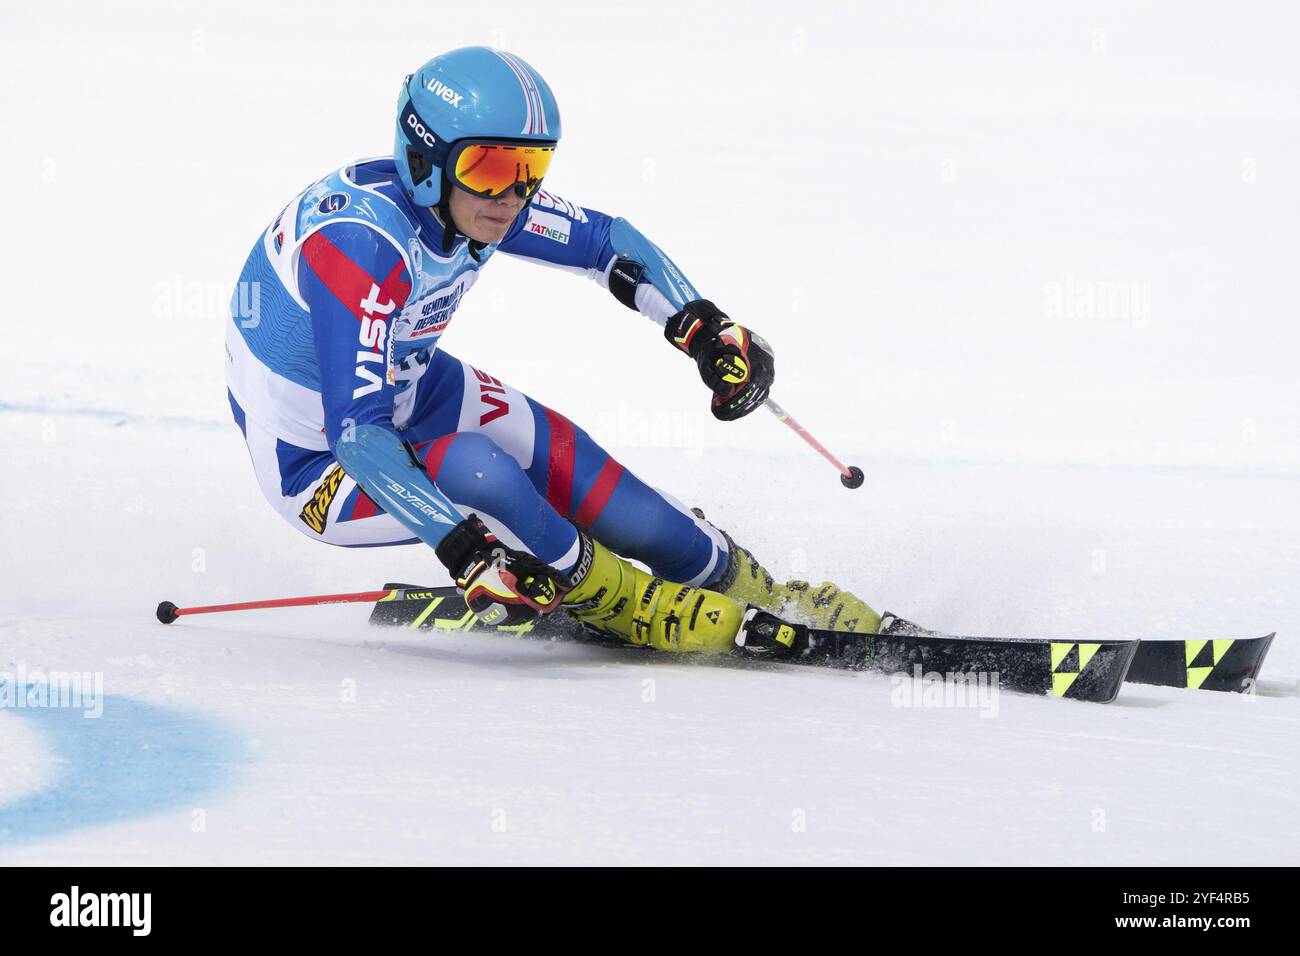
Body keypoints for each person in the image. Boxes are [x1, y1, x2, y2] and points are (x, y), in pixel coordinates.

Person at [225, 46, 881, 658]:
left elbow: (603, 243)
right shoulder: (361, 247)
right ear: (427, 162)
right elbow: (358, 436)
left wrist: (704, 329)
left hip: (412, 387)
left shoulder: (469, 204)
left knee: (608, 493)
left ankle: (755, 589)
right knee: (484, 475)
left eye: (530, 169)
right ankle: (615, 599)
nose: (512, 195)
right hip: (316, 463)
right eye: (489, 167)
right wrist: (463, 550)